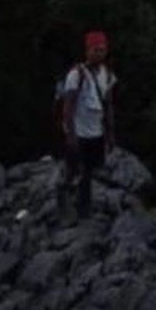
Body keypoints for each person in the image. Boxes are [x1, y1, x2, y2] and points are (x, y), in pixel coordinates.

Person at [58, 30, 117, 219]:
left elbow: (108, 105)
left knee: (89, 173)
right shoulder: (77, 74)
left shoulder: (107, 75)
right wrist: (71, 135)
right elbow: (68, 107)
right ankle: (63, 198)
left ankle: (84, 209)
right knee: (75, 171)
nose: (99, 54)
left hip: (96, 134)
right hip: (79, 133)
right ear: (87, 51)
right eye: (95, 50)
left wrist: (110, 134)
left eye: (102, 50)